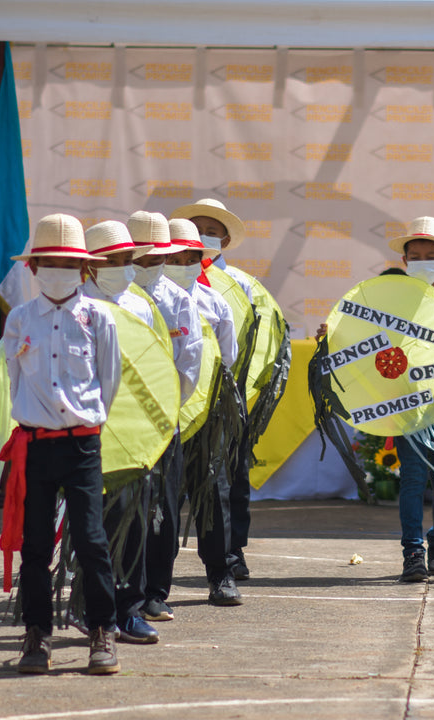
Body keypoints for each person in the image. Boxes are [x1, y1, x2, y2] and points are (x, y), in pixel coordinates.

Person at [314, 217, 434, 582]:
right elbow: (360, 332)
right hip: (404, 398)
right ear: (405, 260)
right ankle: (413, 552)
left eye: (430, 255)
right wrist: (331, 335)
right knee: (411, 477)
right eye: (415, 255)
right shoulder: (389, 294)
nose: (422, 260)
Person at [0, 213, 122, 675]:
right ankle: (37, 635)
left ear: (84, 271)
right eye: (48, 262)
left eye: (68, 264)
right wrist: (36, 419)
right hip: (35, 447)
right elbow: (14, 380)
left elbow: (108, 382)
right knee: (34, 546)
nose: (57, 271)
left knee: (91, 540)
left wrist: (80, 422)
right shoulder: (19, 320)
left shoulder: (98, 317)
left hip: (82, 446)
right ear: (33, 268)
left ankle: (102, 631)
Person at [78, 220, 161, 645]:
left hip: (131, 432)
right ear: (91, 266)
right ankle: (88, 606)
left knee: (134, 520)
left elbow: (155, 369)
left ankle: (129, 609)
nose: (125, 269)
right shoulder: (76, 306)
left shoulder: (142, 306)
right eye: (115, 261)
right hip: (83, 429)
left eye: (129, 260)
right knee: (90, 525)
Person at [172, 198, 254, 580]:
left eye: (194, 254)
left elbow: (230, 356)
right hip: (159, 414)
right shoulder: (143, 299)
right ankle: (153, 585)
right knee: (164, 495)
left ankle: (221, 571)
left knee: (214, 488)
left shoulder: (225, 295)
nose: (186, 262)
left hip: (208, 410)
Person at [127, 211, 203, 623]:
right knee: (122, 508)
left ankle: (156, 591)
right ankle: (124, 590)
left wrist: (161, 410)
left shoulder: (179, 302)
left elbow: (188, 367)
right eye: (139, 260)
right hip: (115, 426)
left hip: (161, 423)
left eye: (157, 259)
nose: (148, 267)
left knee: (164, 510)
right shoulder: (104, 298)